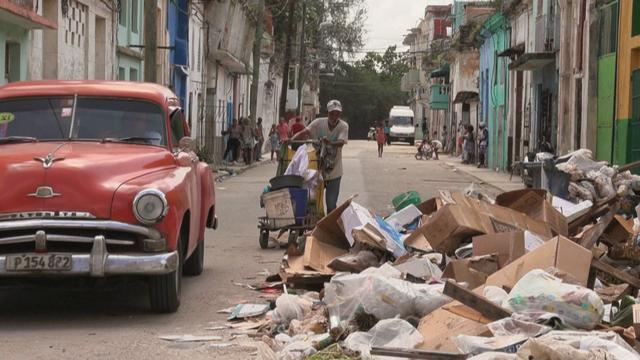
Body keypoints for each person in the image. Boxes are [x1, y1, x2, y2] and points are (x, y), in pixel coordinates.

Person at [289, 99, 348, 213]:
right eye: (332, 113)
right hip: (316, 170)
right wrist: (290, 140)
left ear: (340, 114)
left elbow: (341, 142)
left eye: (337, 114)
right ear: (328, 113)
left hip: (334, 171)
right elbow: (304, 132)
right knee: (311, 200)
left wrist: (329, 142)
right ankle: (314, 225)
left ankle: (329, 226)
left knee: (331, 204)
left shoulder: (343, 126)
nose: (334, 116)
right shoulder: (318, 123)